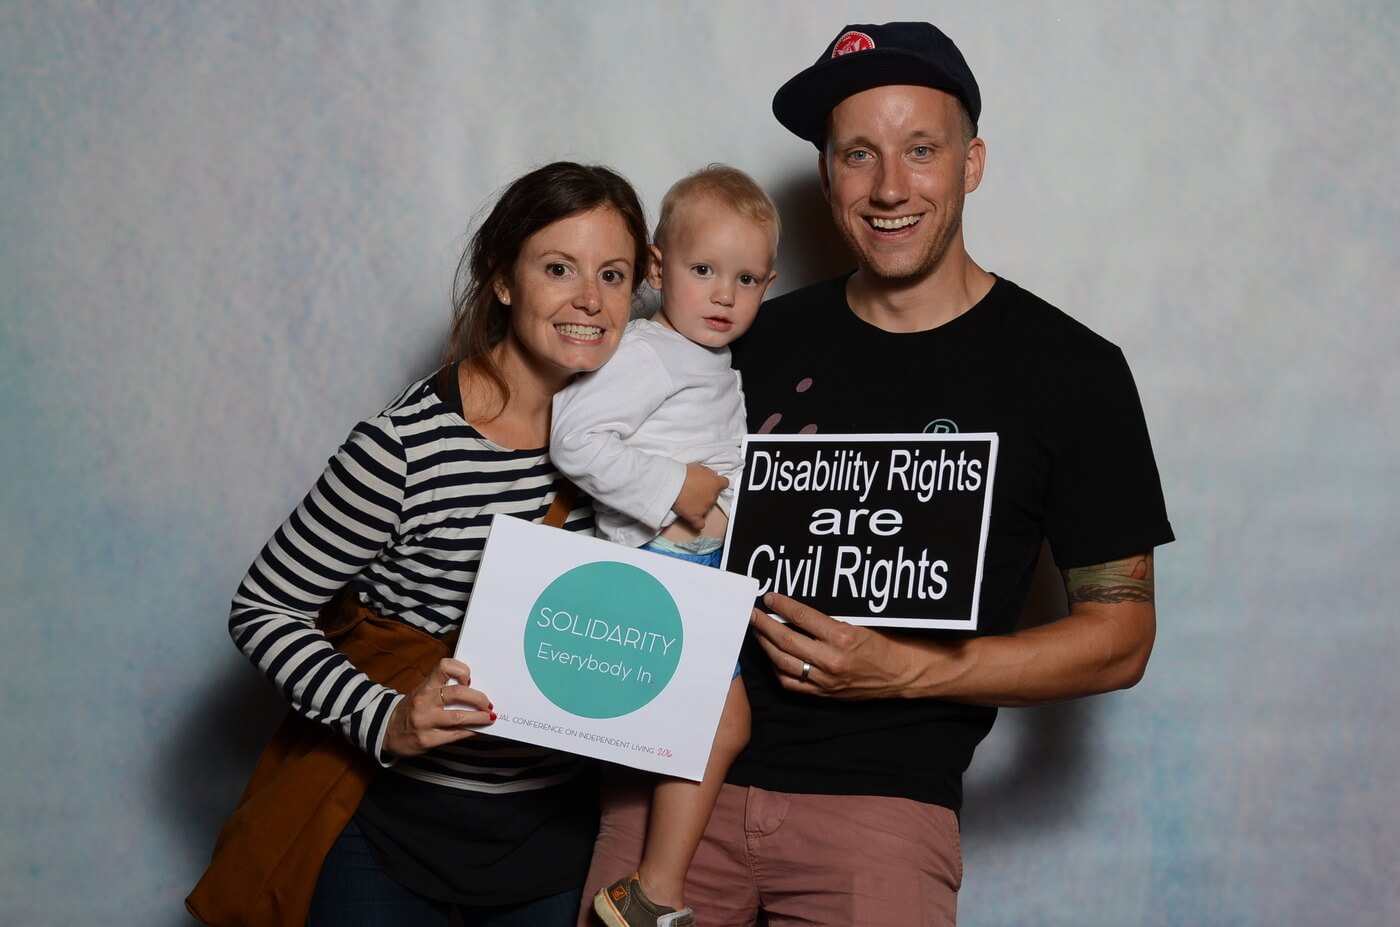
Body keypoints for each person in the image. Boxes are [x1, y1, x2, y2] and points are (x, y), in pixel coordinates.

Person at [581, 22, 1175, 926]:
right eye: (859, 154)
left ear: (972, 163)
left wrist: (907, 670)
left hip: (880, 816)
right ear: (827, 177)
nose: (890, 186)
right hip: (669, 787)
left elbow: (1121, 637)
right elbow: (591, 449)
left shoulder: (1071, 372)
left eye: (921, 149)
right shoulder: (739, 338)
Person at [226, 161, 650, 926]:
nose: (590, 299)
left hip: (555, 840)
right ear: (503, 279)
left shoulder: (641, 446)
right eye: (559, 268)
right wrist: (384, 717)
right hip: (391, 837)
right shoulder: (404, 447)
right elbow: (263, 607)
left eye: (612, 274)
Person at [550, 165, 780, 927]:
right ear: (657, 267)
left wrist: (731, 515)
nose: (723, 295)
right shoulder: (645, 351)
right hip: (657, 571)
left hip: (702, 572)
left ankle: (654, 890)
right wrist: (674, 486)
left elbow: (728, 465)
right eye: (703, 269)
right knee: (722, 724)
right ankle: (653, 893)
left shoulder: (711, 361)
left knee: (719, 726)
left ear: (768, 285)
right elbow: (575, 440)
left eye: (745, 279)